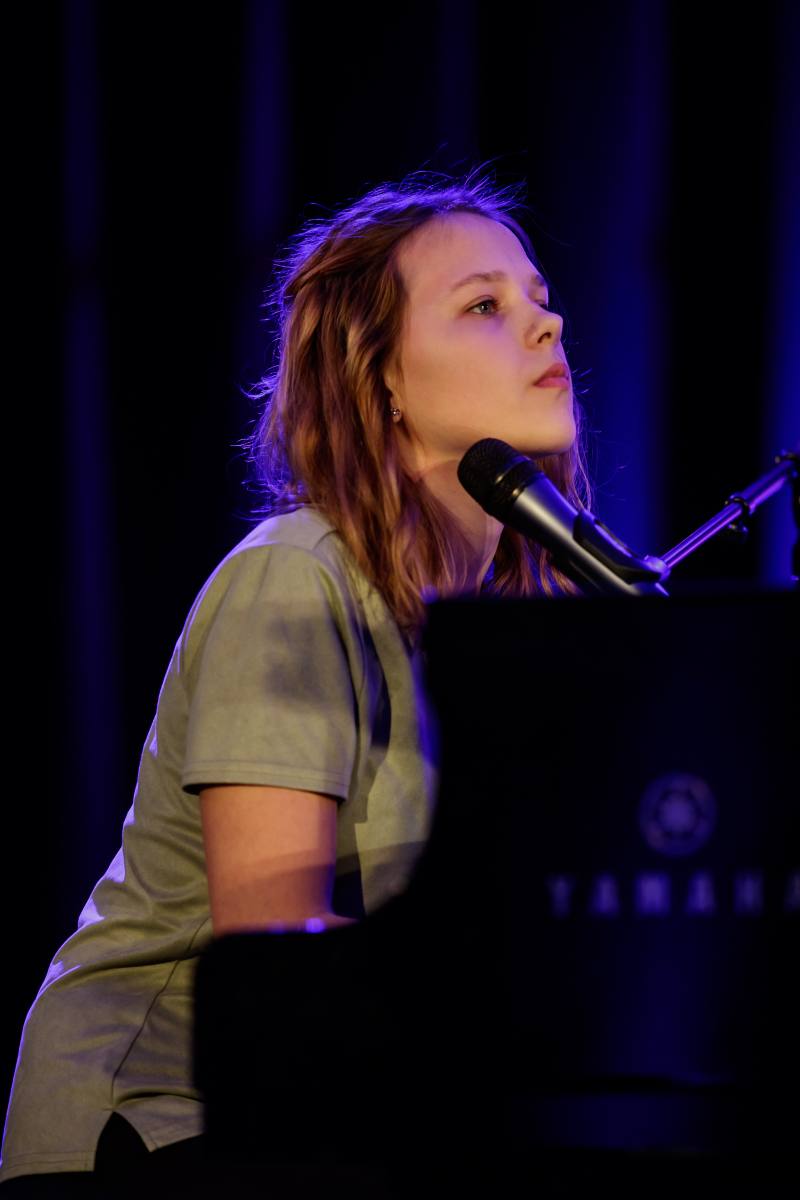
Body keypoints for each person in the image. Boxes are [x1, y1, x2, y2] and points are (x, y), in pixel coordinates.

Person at [0, 166, 592, 1194]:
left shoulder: (495, 627)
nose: (545, 328)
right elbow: (272, 966)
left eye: (539, 301)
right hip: (159, 1127)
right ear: (381, 378)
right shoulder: (293, 576)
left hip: (348, 1119)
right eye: (484, 306)